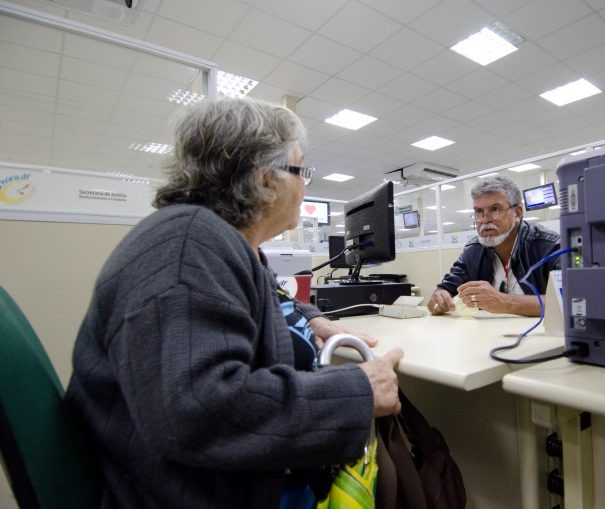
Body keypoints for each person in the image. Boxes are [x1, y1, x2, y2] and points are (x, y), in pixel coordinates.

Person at [65, 96, 404, 508]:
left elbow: (271, 298)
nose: (305, 185)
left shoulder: (220, 241)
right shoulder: (186, 248)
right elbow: (199, 410)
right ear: (264, 179)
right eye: (302, 171)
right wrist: (357, 392)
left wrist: (311, 320)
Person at [427, 175, 560, 317]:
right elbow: (446, 287)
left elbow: (571, 301)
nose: (484, 219)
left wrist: (504, 302)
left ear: (518, 213)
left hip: (539, 335)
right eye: (478, 211)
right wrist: (440, 296)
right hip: (488, 336)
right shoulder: (474, 250)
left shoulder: (549, 247)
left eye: (495, 209)